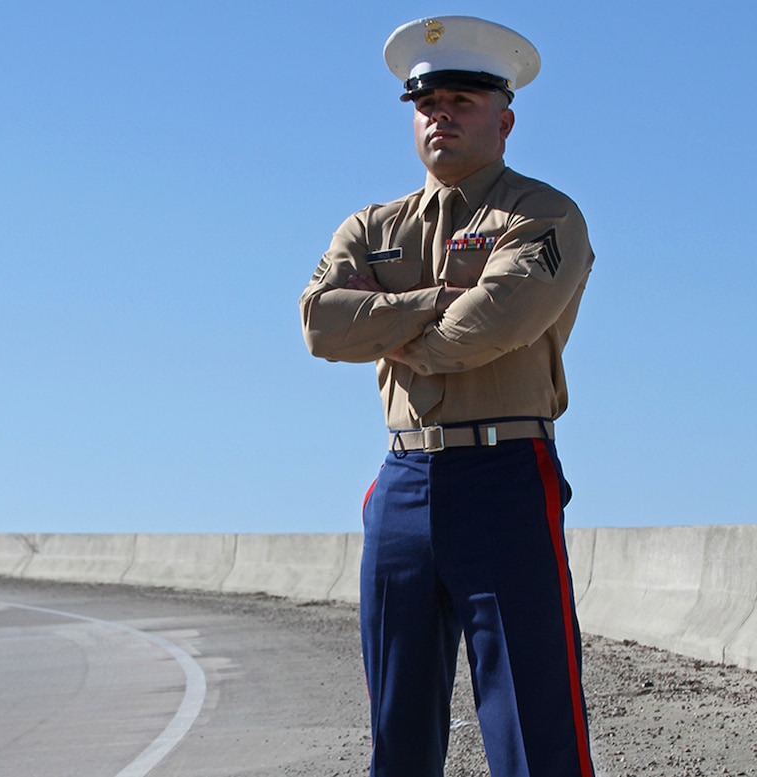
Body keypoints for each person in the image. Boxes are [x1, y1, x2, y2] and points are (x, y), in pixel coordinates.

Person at [299, 16, 596, 777]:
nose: (441, 116)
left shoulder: (541, 214)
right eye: (427, 104)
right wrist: (438, 299)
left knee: (533, 725)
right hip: (402, 484)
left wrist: (389, 328)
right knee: (397, 728)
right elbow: (319, 324)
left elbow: (499, 319)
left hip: (505, 476)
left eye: (462, 101)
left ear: (504, 119)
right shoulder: (373, 226)